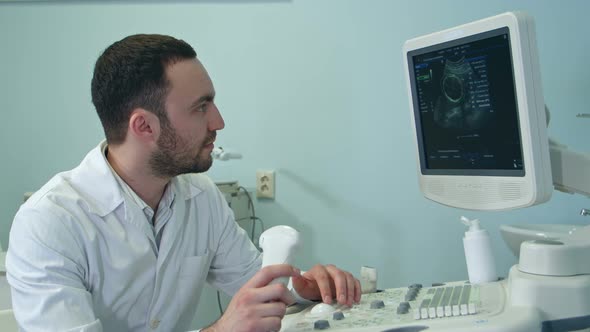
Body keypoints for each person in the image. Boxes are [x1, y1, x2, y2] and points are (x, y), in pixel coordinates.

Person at [6, 34, 361, 332]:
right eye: (201, 107)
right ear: (144, 126)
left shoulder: (200, 196)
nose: (218, 122)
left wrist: (305, 289)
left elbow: (258, 287)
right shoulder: (49, 223)